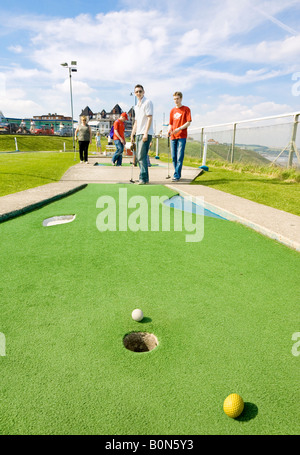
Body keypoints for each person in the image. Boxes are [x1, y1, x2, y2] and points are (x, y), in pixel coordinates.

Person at [130, 84, 154, 184]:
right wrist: (132, 134)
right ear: (135, 93)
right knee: (140, 156)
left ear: (143, 92)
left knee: (141, 156)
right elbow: (136, 122)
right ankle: (145, 178)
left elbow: (149, 118)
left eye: (140, 91)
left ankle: (142, 178)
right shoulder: (136, 106)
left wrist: (145, 133)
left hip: (145, 133)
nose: (139, 93)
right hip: (138, 133)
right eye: (137, 92)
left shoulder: (148, 102)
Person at [168, 91, 192, 181]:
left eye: (177, 99)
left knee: (179, 156)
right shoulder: (172, 110)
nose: (176, 100)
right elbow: (170, 123)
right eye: (174, 99)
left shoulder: (186, 109)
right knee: (174, 157)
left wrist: (179, 128)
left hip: (182, 136)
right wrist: (169, 130)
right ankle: (176, 172)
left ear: (181, 99)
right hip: (173, 137)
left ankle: (176, 175)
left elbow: (188, 122)